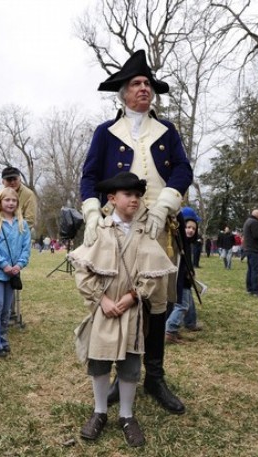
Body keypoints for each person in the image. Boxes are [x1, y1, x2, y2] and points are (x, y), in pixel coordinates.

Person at [80, 50, 193, 415]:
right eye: (136, 84)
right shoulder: (105, 132)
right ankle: (118, 373)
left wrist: (164, 207)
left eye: (147, 83)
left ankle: (155, 377)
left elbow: (182, 170)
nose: (143, 88)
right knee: (121, 294)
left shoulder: (167, 130)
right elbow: (89, 176)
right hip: (119, 222)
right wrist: (94, 212)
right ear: (123, 93)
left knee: (156, 299)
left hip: (158, 222)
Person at [69, 172, 177, 447]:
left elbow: (154, 276)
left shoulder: (145, 234)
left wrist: (133, 297)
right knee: (100, 362)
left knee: (129, 365)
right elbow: (83, 273)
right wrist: (101, 300)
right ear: (112, 198)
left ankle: (127, 415)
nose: (134, 200)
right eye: (128, 195)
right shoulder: (100, 231)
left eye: (138, 196)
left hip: (131, 310)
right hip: (104, 310)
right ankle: (100, 411)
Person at [0, 187, 30, 357]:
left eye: (14, 200)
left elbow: (26, 247)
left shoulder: (22, 224)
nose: (10, 203)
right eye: (7, 200)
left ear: (17, 203)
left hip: (13, 273)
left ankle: (2, 339)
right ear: (0, 202)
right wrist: (3, 264)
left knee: (7, 310)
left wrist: (19, 265)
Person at [165, 206, 203, 343]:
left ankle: (176, 327)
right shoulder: (177, 241)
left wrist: (191, 270)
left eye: (193, 228)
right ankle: (170, 330)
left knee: (183, 304)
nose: (191, 230)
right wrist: (187, 272)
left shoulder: (187, 243)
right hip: (180, 278)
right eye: (188, 227)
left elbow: (187, 260)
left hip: (185, 278)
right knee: (182, 305)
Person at [0, 166, 38, 237]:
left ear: (20, 179)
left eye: (14, 179)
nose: (12, 182)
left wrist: (15, 236)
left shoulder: (28, 195)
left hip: (17, 236)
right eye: (9, 180)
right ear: (3, 182)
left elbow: (30, 220)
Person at [242, 209, 258, 296]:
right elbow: (257, 235)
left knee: (250, 270)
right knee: (255, 270)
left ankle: (249, 288)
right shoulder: (255, 222)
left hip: (248, 248)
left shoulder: (247, 221)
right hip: (253, 249)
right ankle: (256, 290)